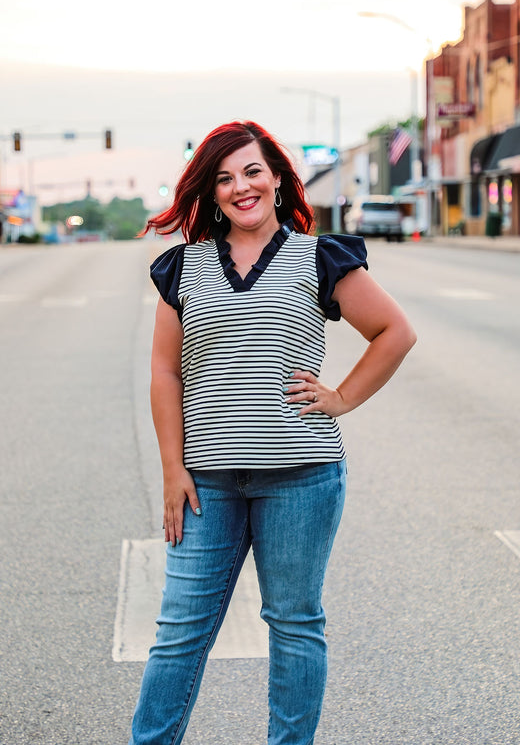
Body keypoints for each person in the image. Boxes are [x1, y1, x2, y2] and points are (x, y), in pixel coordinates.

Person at [129, 120, 416, 745]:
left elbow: (395, 332)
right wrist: (172, 469)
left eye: (253, 171)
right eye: (225, 178)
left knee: (293, 624)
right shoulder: (182, 267)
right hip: (207, 483)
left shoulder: (320, 258)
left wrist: (340, 397)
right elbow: (163, 371)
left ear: (279, 179)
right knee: (179, 630)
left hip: (303, 480)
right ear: (212, 192)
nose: (241, 188)